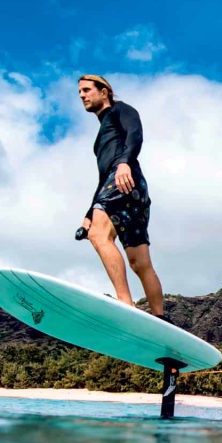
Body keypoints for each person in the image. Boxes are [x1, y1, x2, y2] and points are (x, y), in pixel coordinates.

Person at [73, 74, 165, 318]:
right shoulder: (103, 132)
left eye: (86, 90)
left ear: (104, 92)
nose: (82, 95)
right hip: (128, 188)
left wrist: (124, 163)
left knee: (98, 235)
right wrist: (89, 212)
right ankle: (160, 318)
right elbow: (102, 178)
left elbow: (135, 135)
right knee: (139, 262)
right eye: (79, 92)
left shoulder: (121, 110)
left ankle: (126, 302)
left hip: (123, 178)